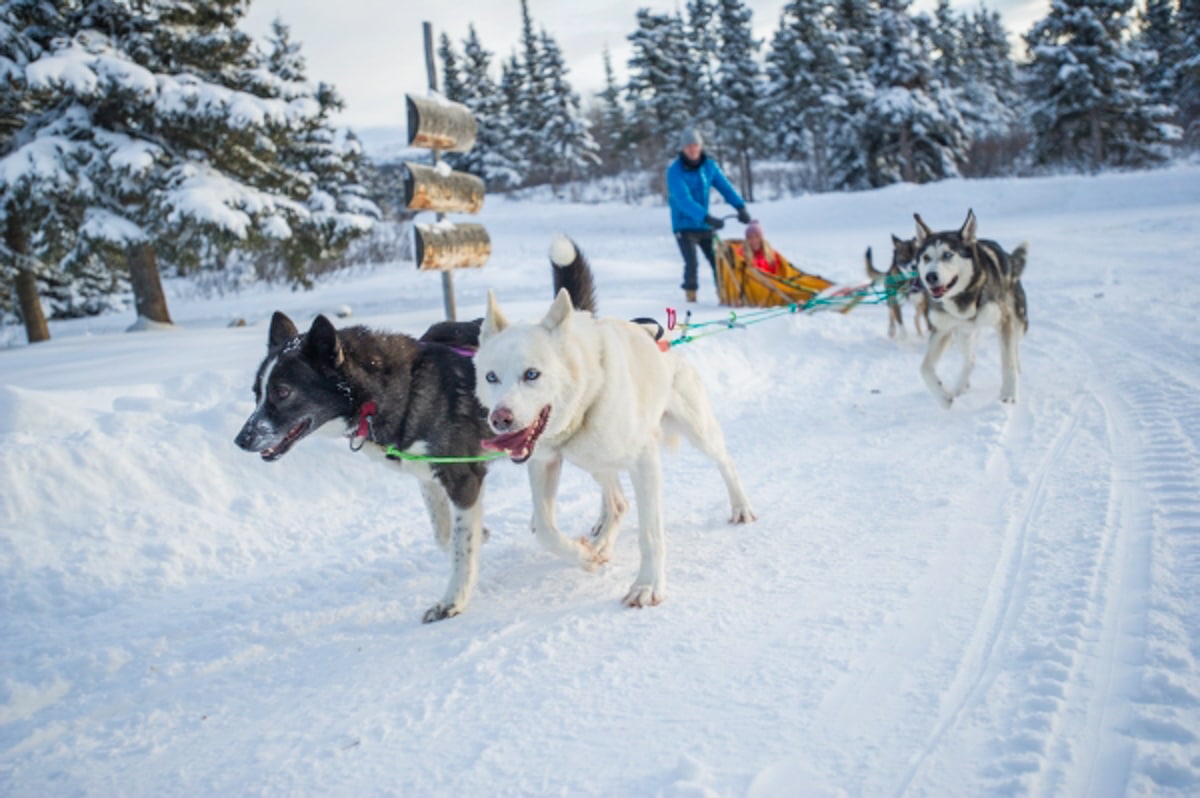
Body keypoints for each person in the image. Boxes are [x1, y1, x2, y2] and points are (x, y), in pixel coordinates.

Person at [666, 125, 751, 303]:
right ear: (683, 148)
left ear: (700, 146)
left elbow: (725, 187)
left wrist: (740, 207)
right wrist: (705, 217)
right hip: (684, 225)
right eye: (689, 146)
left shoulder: (709, 166)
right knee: (692, 264)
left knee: (717, 261)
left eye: (695, 145)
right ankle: (691, 299)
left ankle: (725, 295)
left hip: (704, 224)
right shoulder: (675, 170)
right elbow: (682, 199)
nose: (693, 149)